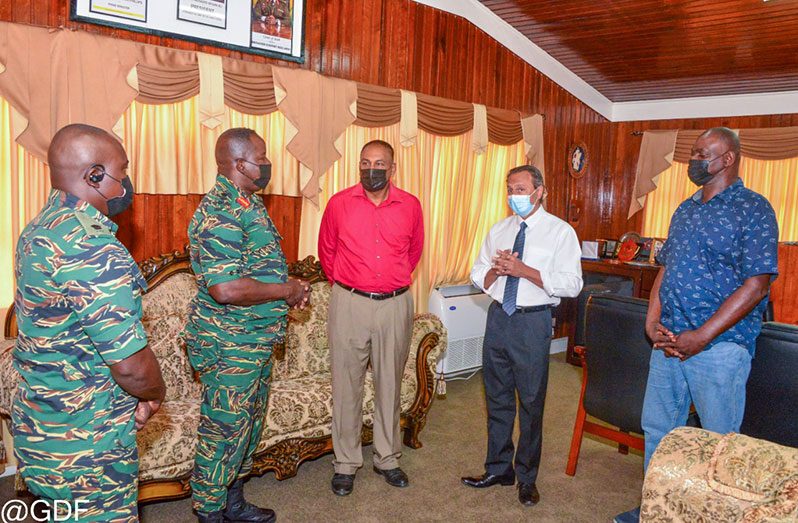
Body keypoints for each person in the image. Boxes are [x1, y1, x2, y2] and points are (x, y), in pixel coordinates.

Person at [615, 127, 779, 523]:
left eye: (703, 153)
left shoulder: (753, 209)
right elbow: (665, 269)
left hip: (720, 347)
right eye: (692, 153)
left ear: (727, 159)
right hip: (668, 340)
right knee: (659, 431)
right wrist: (651, 320)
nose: (694, 161)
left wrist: (702, 337)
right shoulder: (684, 208)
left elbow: (757, 285)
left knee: (718, 441)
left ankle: (710, 515)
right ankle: (658, 508)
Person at [12, 124, 165, 522]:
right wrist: (155, 392)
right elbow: (130, 364)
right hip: (88, 448)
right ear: (94, 176)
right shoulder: (93, 247)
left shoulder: (37, 230)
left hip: (43, 428)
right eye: (122, 171)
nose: (126, 185)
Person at [184, 128, 310, 523]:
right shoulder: (220, 211)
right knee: (222, 431)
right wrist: (285, 289)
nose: (267, 163)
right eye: (262, 157)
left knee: (247, 427)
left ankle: (233, 501)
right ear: (239, 164)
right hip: (228, 343)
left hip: (253, 339)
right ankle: (209, 511)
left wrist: (289, 290)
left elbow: (257, 269)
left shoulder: (247, 204)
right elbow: (224, 288)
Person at [462, 165, 583, 507]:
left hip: (533, 322)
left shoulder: (560, 232)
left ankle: (527, 477)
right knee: (497, 397)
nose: (514, 195)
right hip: (500, 316)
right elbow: (477, 270)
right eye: (510, 189)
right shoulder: (500, 229)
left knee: (530, 403)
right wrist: (493, 272)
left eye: (520, 188)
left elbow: (572, 284)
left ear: (539, 191)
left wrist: (523, 271)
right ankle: (499, 468)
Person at [318, 139, 424, 496]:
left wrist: (387, 284)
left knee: (389, 383)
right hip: (349, 301)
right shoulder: (338, 204)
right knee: (346, 384)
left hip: (395, 304)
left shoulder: (410, 205)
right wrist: (353, 287)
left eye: (379, 163)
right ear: (358, 166)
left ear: (392, 169)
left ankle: (387, 458)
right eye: (365, 163)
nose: (371, 169)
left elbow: (414, 252)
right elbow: (327, 252)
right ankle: (345, 463)